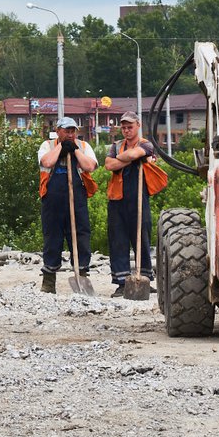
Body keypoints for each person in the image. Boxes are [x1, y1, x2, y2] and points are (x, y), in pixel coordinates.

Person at [38, 117, 98, 293]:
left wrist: (75, 150)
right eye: (67, 131)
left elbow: (90, 166)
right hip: (52, 199)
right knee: (52, 237)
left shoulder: (84, 146)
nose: (71, 134)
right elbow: (47, 162)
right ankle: (49, 280)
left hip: (77, 198)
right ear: (58, 131)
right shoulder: (47, 145)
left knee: (80, 236)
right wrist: (61, 147)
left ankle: (81, 274)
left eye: (73, 131)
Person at [104, 111, 157, 298]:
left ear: (138, 125)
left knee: (141, 237)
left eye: (130, 127)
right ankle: (121, 282)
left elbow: (138, 153)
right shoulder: (115, 145)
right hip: (117, 199)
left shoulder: (146, 144)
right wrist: (129, 158)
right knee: (118, 240)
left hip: (138, 197)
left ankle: (143, 278)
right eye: (124, 127)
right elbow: (109, 165)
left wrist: (123, 159)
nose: (126, 130)